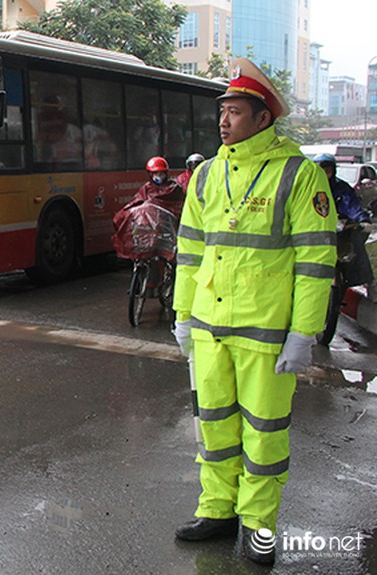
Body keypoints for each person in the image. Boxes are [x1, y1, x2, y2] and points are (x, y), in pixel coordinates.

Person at [172, 58, 337, 566]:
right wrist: (182, 314)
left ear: (263, 119)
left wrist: (303, 333)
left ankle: (257, 525)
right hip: (209, 328)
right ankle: (217, 510)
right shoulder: (205, 175)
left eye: (236, 112)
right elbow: (190, 250)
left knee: (264, 434)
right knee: (215, 426)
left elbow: (317, 260)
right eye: (222, 111)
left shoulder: (298, 174)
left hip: (265, 332)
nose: (224, 121)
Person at [313, 153, 376, 301]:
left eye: (327, 169)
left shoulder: (341, 188)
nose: (324, 173)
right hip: (313, 232)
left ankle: (368, 282)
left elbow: (352, 206)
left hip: (339, 231)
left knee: (358, 248)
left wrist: (363, 220)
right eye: (320, 169)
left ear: (333, 170)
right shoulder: (308, 187)